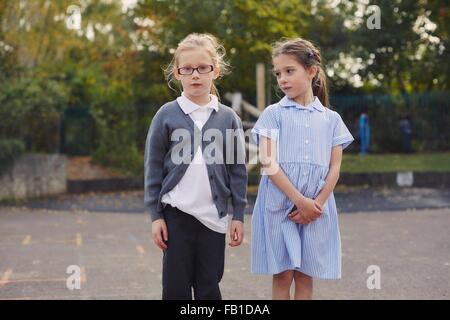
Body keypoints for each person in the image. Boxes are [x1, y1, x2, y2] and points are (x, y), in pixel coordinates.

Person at [144, 33, 247, 300]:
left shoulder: (228, 118)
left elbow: (237, 169)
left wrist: (238, 214)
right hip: (176, 216)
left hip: (214, 218)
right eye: (187, 69)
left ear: (216, 70)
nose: (195, 75)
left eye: (203, 68)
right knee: (176, 289)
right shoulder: (166, 114)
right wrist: (156, 217)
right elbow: (153, 167)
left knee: (208, 287)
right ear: (177, 73)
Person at [251, 38, 354, 300]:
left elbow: (335, 168)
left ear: (311, 71)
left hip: (317, 209)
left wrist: (315, 204)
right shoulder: (274, 114)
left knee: (306, 276)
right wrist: (299, 201)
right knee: (283, 275)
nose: (282, 79)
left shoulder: (332, 120)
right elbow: (268, 163)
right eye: (278, 74)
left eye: (289, 71)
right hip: (280, 205)